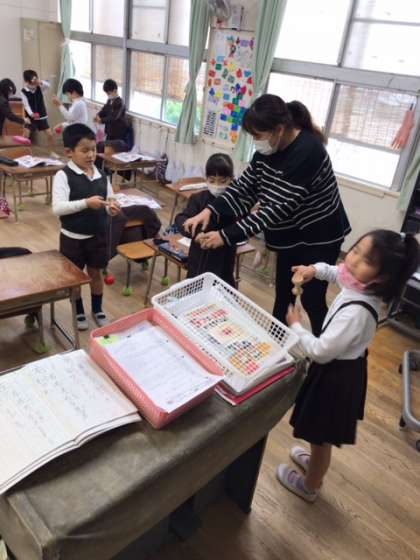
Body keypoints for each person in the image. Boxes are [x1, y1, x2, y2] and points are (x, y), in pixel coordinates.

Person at [184, 94, 351, 336]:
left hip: (319, 236)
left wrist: (225, 236)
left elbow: (275, 208)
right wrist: (210, 210)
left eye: (258, 135)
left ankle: (326, 351)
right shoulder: (267, 151)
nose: (255, 141)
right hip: (291, 234)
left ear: (279, 129)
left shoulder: (308, 152)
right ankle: (278, 343)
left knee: (312, 299)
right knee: (283, 293)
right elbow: (244, 187)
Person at [277, 229, 419, 502]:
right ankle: (315, 463)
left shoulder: (357, 312)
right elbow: (337, 272)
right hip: (338, 370)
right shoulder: (359, 283)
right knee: (317, 432)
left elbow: (320, 351)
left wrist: (296, 326)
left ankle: (310, 485)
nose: (352, 260)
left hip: (336, 378)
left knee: (320, 437)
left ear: (382, 277)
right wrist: (314, 270)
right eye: (355, 250)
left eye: (366, 260)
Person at [52, 123, 120, 330]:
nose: (91, 155)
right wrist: (85, 203)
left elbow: (110, 200)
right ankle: (79, 310)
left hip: (98, 236)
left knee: (95, 274)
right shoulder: (63, 176)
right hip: (72, 239)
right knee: (76, 279)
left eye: (94, 149)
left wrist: (112, 208)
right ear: (69, 152)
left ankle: (97, 309)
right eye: (84, 150)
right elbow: (58, 208)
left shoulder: (101, 174)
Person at [174, 153, 237, 286]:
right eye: (212, 180)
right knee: (195, 288)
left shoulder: (235, 202)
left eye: (222, 181)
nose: (217, 185)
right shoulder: (198, 199)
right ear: (206, 178)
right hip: (199, 260)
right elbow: (181, 219)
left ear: (232, 178)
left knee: (222, 290)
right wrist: (197, 234)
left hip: (224, 260)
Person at [21, 69, 56, 156]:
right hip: (30, 118)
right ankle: (23, 153)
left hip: (42, 116)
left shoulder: (40, 87)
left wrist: (40, 82)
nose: (34, 84)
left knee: (50, 134)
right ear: (26, 81)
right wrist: (31, 114)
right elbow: (26, 105)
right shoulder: (23, 91)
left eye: (35, 80)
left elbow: (48, 85)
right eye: (32, 82)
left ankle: (51, 152)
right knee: (25, 136)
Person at [94, 79, 130, 150]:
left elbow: (114, 117)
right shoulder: (109, 101)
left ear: (115, 90)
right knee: (103, 147)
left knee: (109, 149)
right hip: (109, 131)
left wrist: (101, 120)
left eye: (109, 93)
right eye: (107, 93)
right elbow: (104, 110)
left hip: (118, 133)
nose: (108, 95)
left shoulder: (120, 103)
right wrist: (98, 115)